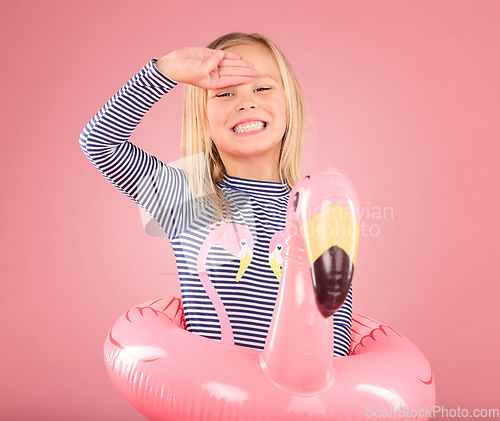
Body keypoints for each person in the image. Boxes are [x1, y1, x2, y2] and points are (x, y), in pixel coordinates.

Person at [79, 32, 353, 356]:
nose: (246, 102)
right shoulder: (187, 196)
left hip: (299, 402)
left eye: (262, 88)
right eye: (224, 94)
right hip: (218, 401)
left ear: (289, 105)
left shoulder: (316, 207)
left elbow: (335, 325)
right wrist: (165, 70)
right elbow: (98, 142)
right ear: (203, 116)